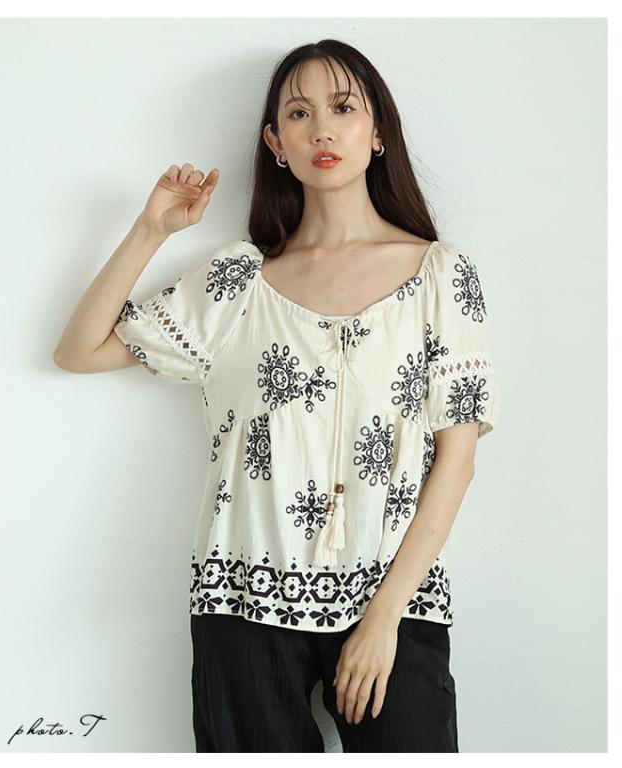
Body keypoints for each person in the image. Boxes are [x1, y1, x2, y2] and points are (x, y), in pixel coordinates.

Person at [54, 38, 502, 753]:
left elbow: (458, 458)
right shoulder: (238, 283)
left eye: (343, 108)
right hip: (241, 601)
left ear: (377, 131)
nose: (322, 128)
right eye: (299, 113)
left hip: (393, 602)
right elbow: (79, 351)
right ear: (276, 143)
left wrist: (384, 619)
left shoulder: (442, 276)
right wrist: (149, 231)